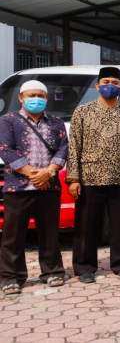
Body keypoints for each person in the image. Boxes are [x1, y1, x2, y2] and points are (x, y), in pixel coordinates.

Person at [67, 67, 120, 284]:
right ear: (97, 85)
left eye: (114, 81)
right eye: (105, 81)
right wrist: (73, 179)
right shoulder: (83, 111)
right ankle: (85, 266)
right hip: (90, 177)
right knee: (87, 225)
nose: (110, 85)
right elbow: (74, 147)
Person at [0, 80, 68, 294]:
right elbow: (5, 149)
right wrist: (32, 173)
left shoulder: (56, 123)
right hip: (18, 188)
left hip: (49, 187)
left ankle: (52, 271)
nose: (35, 99)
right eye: (31, 95)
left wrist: (49, 172)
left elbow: (63, 149)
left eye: (40, 95)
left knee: (49, 232)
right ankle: (11, 277)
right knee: (13, 235)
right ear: (21, 98)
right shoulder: (8, 121)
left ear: (46, 99)